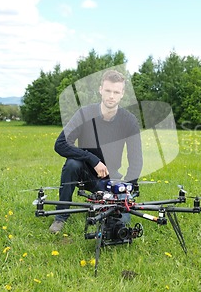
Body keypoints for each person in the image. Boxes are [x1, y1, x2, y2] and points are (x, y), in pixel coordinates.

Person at [49, 69, 143, 233]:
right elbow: (61, 143)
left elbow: (136, 160)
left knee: (121, 221)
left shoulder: (129, 120)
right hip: (85, 174)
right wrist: (91, 159)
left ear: (122, 94)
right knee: (72, 164)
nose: (111, 96)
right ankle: (61, 216)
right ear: (100, 90)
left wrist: (127, 188)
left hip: (111, 179)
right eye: (108, 90)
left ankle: (106, 207)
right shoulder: (84, 114)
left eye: (116, 92)